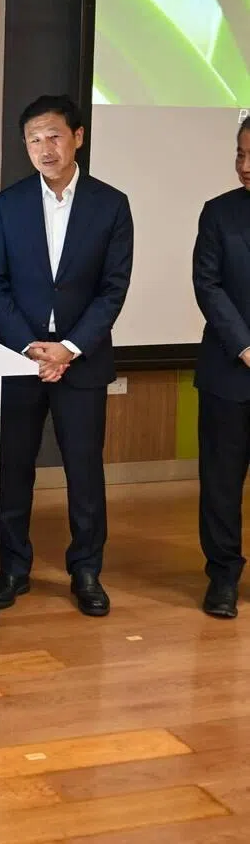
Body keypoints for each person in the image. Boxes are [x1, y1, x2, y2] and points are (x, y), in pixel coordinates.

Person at [0, 95, 133, 617]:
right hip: (19, 360)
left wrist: (67, 349)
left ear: (78, 138)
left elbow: (113, 289)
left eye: (54, 136)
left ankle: (86, 570)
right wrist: (30, 346)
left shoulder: (111, 205)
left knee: (84, 471)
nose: (44, 148)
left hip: (82, 360)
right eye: (34, 139)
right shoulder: (6, 205)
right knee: (12, 468)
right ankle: (11, 567)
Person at [191, 115, 250, 619]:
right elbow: (207, 286)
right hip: (228, 373)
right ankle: (223, 576)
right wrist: (246, 346)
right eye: (239, 154)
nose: (245, 166)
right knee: (221, 484)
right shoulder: (218, 214)